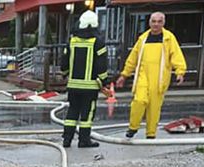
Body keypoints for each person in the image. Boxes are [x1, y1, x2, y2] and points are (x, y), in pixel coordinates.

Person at [116, 12, 186, 139]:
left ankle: (151, 133)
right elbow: (133, 58)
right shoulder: (143, 39)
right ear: (149, 22)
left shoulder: (169, 38)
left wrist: (180, 72)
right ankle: (133, 127)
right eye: (154, 21)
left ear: (163, 23)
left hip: (159, 79)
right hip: (143, 75)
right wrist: (124, 75)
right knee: (139, 100)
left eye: (159, 21)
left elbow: (176, 56)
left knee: (154, 107)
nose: (156, 24)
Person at [60, 10, 110, 148]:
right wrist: (103, 81)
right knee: (87, 114)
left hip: (73, 86)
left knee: (72, 111)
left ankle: (67, 139)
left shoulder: (72, 41)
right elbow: (102, 64)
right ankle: (84, 140)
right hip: (90, 87)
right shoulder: (97, 42)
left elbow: (64, 63)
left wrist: (65, 73)